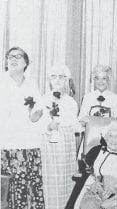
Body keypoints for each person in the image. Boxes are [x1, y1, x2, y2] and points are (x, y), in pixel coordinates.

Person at [0, 47, 45, 208]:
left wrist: (37, 114)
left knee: (29, 187)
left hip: (29, 144)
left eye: (18, 56)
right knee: (7, 190)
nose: (13, 59)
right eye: (10, 56)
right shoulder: (1, 82)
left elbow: (39, 109)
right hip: (6, 145)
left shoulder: (31, 83)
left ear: (26, 62)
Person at [66, 121, 117, 209]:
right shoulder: (96, 151)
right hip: (95, 194)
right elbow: (86, 174)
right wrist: (93, 185)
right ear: (105, 138)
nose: (113, 140)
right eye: (110, 136)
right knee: (88, 205)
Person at [40, 64, 80, 209]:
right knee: (50, 181)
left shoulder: (71, 102)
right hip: (49, 147)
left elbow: (75, 126)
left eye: (62, 77)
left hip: (66, 147)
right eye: (54, 76)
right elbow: (38, 125)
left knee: (65, 180)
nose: (58, 80)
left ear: (67, 80)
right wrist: (48, 126)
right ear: (49, 80)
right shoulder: (42, 100)